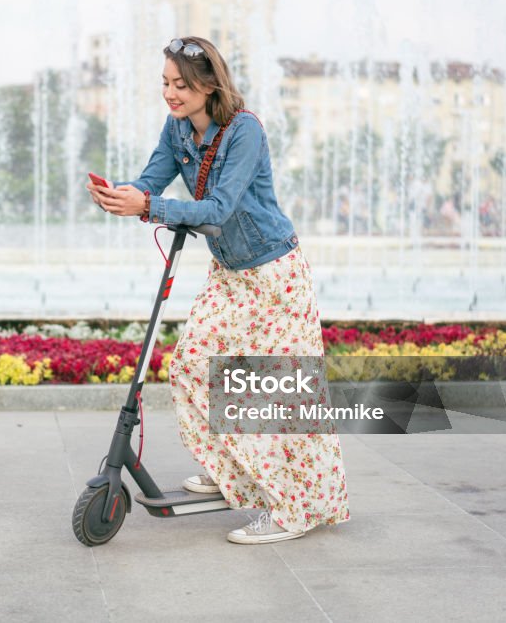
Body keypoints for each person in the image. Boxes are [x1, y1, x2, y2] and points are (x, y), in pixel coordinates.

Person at [87, 36, 350, 545]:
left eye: (181, 85)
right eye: (165, 83)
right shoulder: (177, 127)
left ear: (210, 85)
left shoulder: (243, 131)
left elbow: (220, 208)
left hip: (274, 275)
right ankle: (233, 472)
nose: (170, 93)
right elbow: (152, 180)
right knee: (190, 367)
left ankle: (291, 509)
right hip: (230, 274)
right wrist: (123, 194)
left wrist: (149, 209)